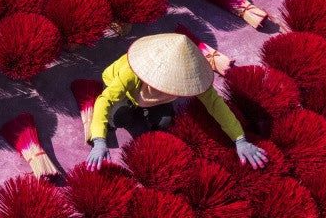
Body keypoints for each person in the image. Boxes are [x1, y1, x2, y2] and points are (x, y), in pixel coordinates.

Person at [82, 32, 268, 171]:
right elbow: (105, 101)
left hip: (153, 101)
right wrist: (99, 141)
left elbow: (215, 103)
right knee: (121, 116)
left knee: (165, 122)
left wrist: (239, 139)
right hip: (126, 94)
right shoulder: (131, 72)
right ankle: (127, 116)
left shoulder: (193, 77)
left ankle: (144, 115)